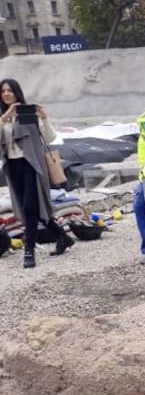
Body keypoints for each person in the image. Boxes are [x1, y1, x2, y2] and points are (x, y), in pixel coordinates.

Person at [0, 79, 73, 268]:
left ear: (17, 93)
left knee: (29, 207)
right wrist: (5, 117)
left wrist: (44, 117)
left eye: (10, 90)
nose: (6, 94)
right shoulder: (2, 116)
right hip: (12, 167)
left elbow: (49, 138)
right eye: (3, 91)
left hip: (30, 164)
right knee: (30, 207)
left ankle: (29, 251)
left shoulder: (27, 113)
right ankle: (62, 237)